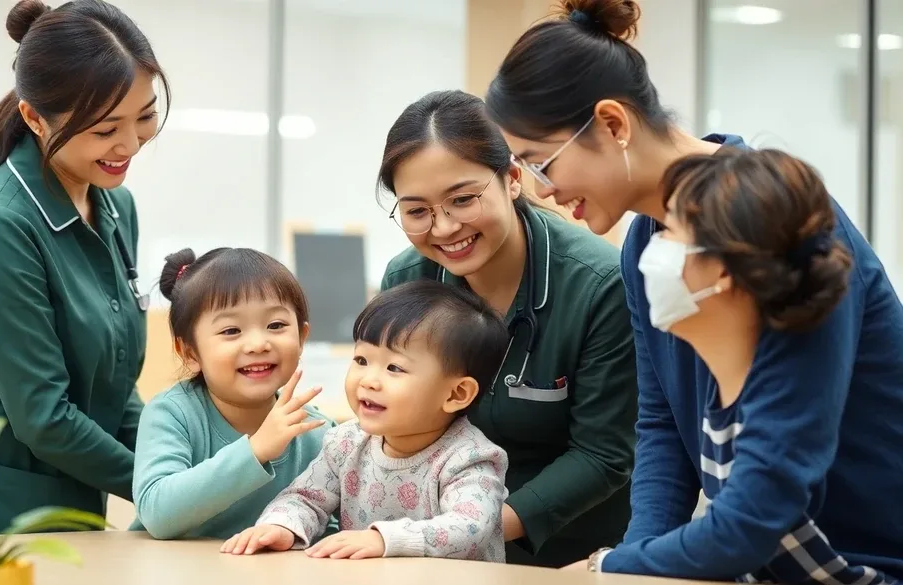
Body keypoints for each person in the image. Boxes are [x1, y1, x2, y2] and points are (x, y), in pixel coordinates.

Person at [484, 0, 903, 581]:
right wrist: (636, 566)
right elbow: (661, 423)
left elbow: (765, 506)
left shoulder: (773, 224)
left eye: (543, 162)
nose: (543, 190)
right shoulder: (643, 248)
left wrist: (618, 562)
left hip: (862, 561)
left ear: (612, 124)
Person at [0, 0, 171, 537]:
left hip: (66, 502)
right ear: (34, 118)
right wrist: (174, 491)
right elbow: (44, 415)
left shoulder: (115, 205)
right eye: (105, 127)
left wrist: (180, 457)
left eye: (144, 117)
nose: (129, 144)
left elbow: (110, 387)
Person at [376, 90, 638, 567]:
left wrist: (464, 532)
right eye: (417, 211)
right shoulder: (407, 280)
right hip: (432, 555)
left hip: (572, 558)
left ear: (513, 180)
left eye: (462, 199)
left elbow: (603, 455)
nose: (443, 228)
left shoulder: (601, 286)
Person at [221, 280, 510, 562]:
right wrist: (281, 526)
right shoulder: (346, 442)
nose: (369, 380)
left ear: (456, 393)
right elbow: (305, 498)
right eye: (361, 360)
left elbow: (470, 526)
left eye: (394, 367)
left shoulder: (469, 458)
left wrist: (383, 539)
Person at [131, 247, 335, 540]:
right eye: (231, 331)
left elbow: (335, 527)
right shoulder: (171, 413)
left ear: (302, 338)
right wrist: (256, 450)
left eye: (275, 325)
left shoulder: (318, 433)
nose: (256, 344)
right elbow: (157, 513)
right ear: (189, 352)